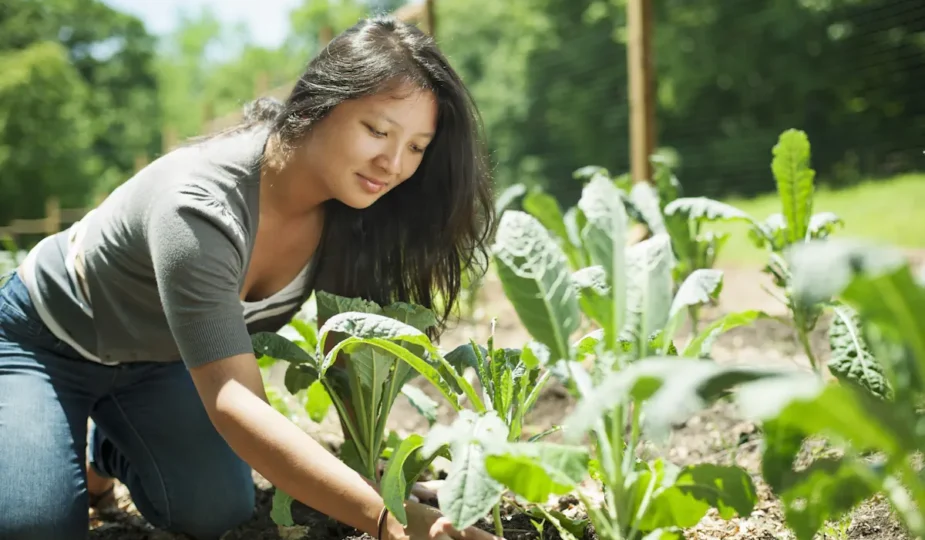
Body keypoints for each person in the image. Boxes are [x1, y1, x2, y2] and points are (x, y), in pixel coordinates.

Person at [0, 15, 500, 540]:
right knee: (33, 525)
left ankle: (111, 446)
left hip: (163, 364)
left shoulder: (354, 212)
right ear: (317, 104)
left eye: (417, 147)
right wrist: (385, 518)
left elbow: (354, 366)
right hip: (44, 341)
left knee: (216, 510)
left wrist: (381, 478)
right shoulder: (199, 208)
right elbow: (233, 403)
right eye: (377, 130)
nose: (394, 162)